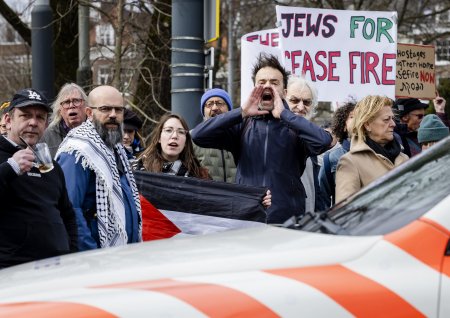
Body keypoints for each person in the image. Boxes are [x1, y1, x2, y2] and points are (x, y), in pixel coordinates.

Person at [191, 53, 332, 223]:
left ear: (284, 92)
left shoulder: (295, 127)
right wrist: (241, 112)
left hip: (286, 220)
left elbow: (323, 141)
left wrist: (285, 115)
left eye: (274, 83)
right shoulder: (242, 125)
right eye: (262, 82)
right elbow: (199, 135)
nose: (267, 86)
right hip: (248, 217)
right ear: (254, 88)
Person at [56, 85, 142, 251]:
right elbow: (70, 210)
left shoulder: (115, 148)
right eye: (105, 109)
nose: (113, 115)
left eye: (118, 110)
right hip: (96, 259)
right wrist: (91, 255)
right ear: (89, 113)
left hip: (123, 254)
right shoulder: (78, 150)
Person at [0, 88, 77, 269]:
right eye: (25, 116)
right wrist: (9, 168)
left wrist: (71, 254)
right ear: (8, 120)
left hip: (56, 269)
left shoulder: (50, 165)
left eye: (40, 117)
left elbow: (68, 215)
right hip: (12, 270)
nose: (33, 122)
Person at [335, 95, 409, 203]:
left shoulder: (404, 157)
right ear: (367, 124)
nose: (393, 124)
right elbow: (345, 211)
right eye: (386, 119)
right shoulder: (350, 162)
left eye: (392, 119)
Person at [285, 75, 331, 213]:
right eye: (294, 100)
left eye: (307, 102)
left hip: (306, 222)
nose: (300, 107)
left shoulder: (313, 139)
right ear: (283, 98)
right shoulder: (270, 134)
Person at [138, 113, 210, 179]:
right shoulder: (139, 169)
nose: (175, 136)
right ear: (159, 138)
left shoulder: (199, 175)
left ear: (186, 141)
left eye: (181, 132)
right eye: (169, 130)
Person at [193, 88, 237, 182]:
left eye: (220, 103)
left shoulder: (240, 134)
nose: (214, 108)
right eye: (209, 104)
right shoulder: (191, 137)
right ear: (203, 111)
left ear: (229, 109)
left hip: (238, 194)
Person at [319, 102, 356, 207]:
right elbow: (323, 197)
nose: (358, 120)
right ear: (344, 126)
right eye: (352, 117)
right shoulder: (331, 158)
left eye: (361, 116)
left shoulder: (375, 153)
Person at [42, 83, 88, 158]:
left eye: (76, 101)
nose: (71, 106)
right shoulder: (47, 135)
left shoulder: (96, 131)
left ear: (86, 106)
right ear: (60, 110)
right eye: (66, 102)